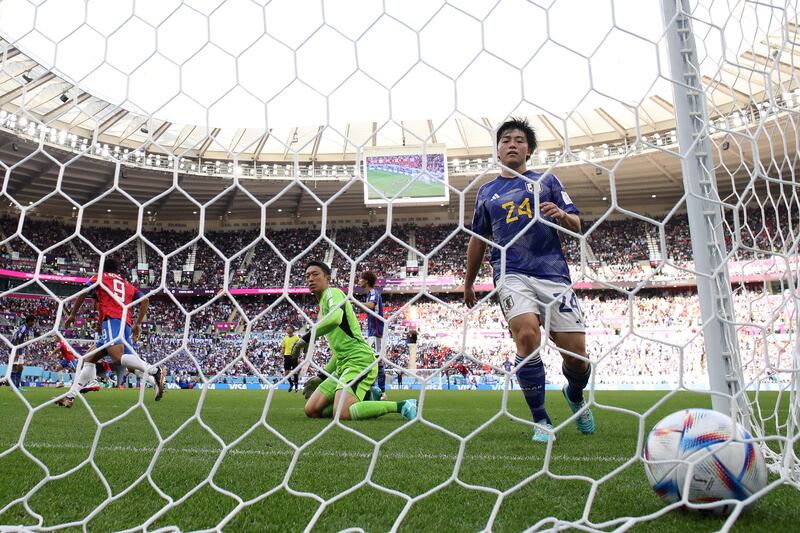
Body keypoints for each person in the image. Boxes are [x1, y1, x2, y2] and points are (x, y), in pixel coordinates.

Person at [464, 117, 594, 443]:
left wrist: (562, 216)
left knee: (578, 359)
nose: (511, 144)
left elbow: (577, 224)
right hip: (510, 272)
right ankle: (542, 421)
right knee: (526, 335)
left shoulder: (547, 182)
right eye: (505, 139)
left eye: (519, 140)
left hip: (553, 274)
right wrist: (468, 283)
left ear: (529, 150)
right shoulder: (486, 192)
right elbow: (478, 240)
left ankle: (575, 394)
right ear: (497, 149)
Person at [296, 261, 416, 421]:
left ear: (327, 278)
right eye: (307, 276)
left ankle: (402, 405)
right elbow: (339, 352)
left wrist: (306, 338)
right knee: (311, 410)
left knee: (342, 413)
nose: (310, 279)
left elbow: (335, 319)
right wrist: (322, 376)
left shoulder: (332, 293)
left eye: (315, 274)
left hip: (360, 361)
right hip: (343, 366)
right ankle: (367, 398)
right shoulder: (322, 309)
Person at [57, 257, 164, 408]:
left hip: (113, 322)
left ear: (102, 268)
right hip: (124, 324)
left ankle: (155, 370)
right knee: (89, 359)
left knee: (117, 358)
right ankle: (70, 396)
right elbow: (145, 300)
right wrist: (138, 324)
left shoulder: (101, 278)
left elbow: (84, 291)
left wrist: (73, 314)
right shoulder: (126, 284)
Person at [358, 271, 386, 399]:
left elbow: (371, 306)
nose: (359, 281)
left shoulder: (374, 292)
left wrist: (354, 302)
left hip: (376, 332)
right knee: (374, 361)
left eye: (361, 278)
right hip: (372, 331)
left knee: (375, 361)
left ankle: (380, 392)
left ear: (366, 281)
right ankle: (378, 391)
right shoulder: (370, 294)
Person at [9, 315, 37, 391]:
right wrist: (16, 352)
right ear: (29, 321)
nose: (34, 323)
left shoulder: (29, 328)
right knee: (14, 367)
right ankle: (13, 386)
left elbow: (24, 339)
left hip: (20, 348)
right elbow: (16, 339)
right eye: (33, 321)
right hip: (14, 348)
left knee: (20, 367)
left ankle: (17, 386)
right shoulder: (23, 328)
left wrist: (27, 349)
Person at [281, 325, 301, 393]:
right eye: (286, 329)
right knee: (286, 373)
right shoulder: (285, 338)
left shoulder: (296, 338)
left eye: (288, 329)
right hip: (286, 356)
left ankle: (296, 388)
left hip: (294, 356)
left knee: (295, 372)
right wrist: (281, 354)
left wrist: (299, 356)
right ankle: (291, 384)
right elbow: (283, 348)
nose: (287, 330)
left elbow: (299, 347)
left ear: (292, 330)